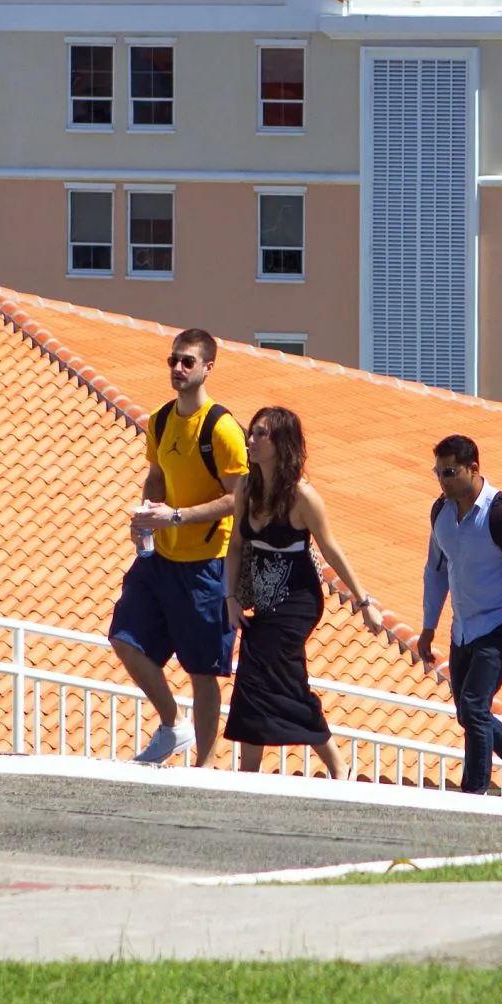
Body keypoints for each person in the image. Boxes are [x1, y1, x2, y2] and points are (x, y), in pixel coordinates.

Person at [221, 407, 382, 778]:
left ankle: (336, 765)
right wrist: (230, 598)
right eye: (252, 432)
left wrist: (364, 602)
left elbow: (331, 550)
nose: (251, 440)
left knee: (272, 671)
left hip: (297, 598)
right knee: (254, 677)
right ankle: (251, 773)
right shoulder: (247, 486)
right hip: (260, 597)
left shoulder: (302, 495)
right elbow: (235, 546)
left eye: (260, 434)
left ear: (281, 443)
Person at [112, 328, 246, 767]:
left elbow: (236, 498)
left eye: (187, 361)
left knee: (203, 670)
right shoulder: (161, 419)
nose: (177, 368)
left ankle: (204, 767)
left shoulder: (222, 428)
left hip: (207, 564)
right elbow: (157, 476)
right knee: (124, 637)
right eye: (173, 360)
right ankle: (173, 725)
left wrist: (178, 516)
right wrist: (145, 517)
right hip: (161, 558)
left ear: (208, 367)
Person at [411, 435, 502, 801]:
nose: (442, 480)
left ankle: (473, 793)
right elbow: (436, 571)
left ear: (474, 469)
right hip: (463, 629)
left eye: (450, 472)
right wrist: (429, 627)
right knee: (467, 711)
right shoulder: (441, 513)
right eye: (438, 472)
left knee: (474, 706)